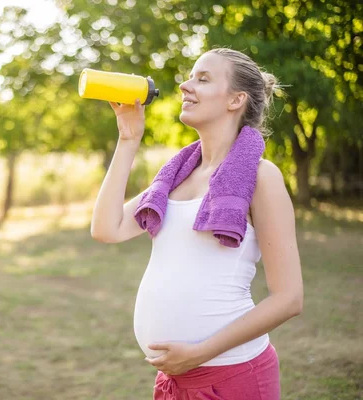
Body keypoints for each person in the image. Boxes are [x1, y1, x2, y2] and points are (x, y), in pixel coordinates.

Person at [90, 48, 304, 399]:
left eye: (202, 79)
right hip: (175, 381)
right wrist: (128, 139)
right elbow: (105, 229)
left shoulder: (260, 177)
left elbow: (289, 298)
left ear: (236, 100)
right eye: (190, 77)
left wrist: (200, 353)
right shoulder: (175, 177)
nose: (185, 86)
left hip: (234, 375)